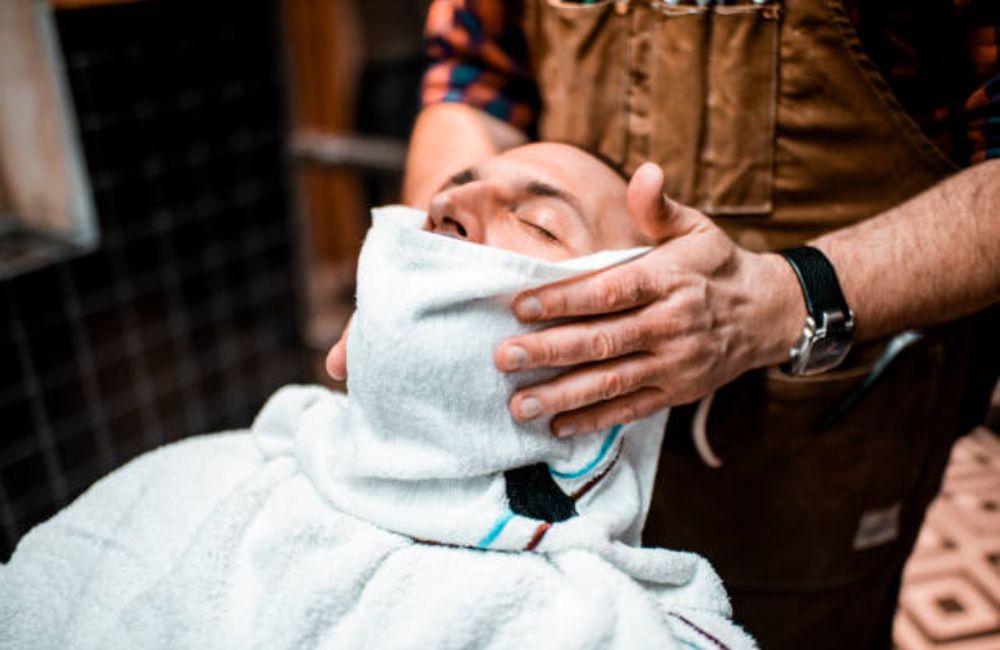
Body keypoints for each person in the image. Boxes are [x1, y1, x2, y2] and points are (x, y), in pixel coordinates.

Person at [328, 2, 1000, 648]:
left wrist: (792, 296)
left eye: (538, 222)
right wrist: (428, 284)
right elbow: (474, 83)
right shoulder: (287, 472)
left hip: (810, 442)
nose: (447, 200)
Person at [1, 143, 758, 650]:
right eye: (447, 202)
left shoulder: (597, 622)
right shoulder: (201, 479)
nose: (448, 212)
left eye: (535, 220)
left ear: (631, 339)